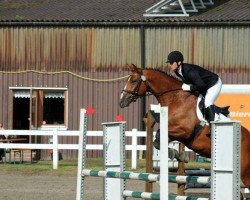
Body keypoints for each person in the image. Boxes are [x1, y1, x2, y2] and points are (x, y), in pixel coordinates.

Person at [166, 51, 222, 125]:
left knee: (208, 102)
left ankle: (213, 126)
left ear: (179, 62)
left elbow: (201, 85)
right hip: (204, 86)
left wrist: (190, 88)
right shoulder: (177, 71)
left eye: (171, 63)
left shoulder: (189, 71)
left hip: (214, 84)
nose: (170, 65)